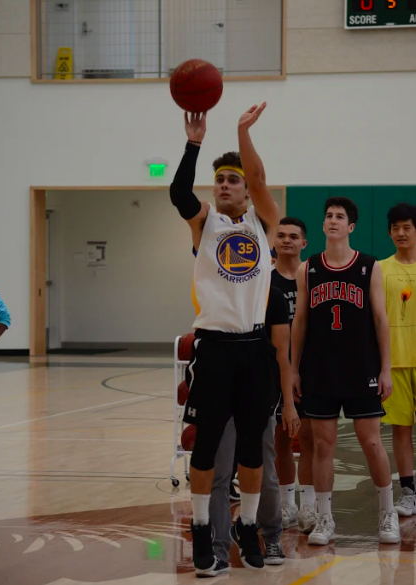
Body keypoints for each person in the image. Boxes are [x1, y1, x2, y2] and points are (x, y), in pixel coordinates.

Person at [169, 105, 300, 577]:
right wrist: (194, 142)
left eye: (233, 179)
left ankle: (247, 526)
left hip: (255, 348)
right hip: (216, 347)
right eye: (219, 178)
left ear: (245, 191)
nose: (224, 185)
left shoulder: (262, 225)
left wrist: (243, 133)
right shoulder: (206, 224)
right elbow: (179, 192)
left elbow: (262, 179)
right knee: (205, 447)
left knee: (250, 446)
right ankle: (203, 529)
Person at [291, 196, 401, 546]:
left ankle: (388, 514)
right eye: (329, 216)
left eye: (340, 216)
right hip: (320, 369)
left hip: (361, 367)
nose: (333, 220)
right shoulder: (307, 268)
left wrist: (386, 368)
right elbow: (300, 321)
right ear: (323, 225)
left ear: (351, 226)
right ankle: (324, 519)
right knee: (323, 446)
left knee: (371, 442)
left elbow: (381, 320)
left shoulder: (369, 266)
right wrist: (294, 370)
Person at [210, 281, 298, 572]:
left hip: (260, 397)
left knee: (267, 475)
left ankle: (271, 536)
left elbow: (281, 355)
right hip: (222, 394)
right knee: (219, 474)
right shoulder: (218, 289)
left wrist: (287, 404)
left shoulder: (271, 295)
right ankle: (217, 546)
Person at [272, 218, 317, 535]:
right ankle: (286, 503)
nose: (286, 240)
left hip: (310, 369)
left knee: (311, 439)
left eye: (294, 236)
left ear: (304, 244)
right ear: (274, 242)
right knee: (280, 440)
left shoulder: (313, 278)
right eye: (281, 236)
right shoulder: (263, 280)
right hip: (273, 371)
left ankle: (309, 505)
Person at [379, 203, 416, 517]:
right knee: (401, 430)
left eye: (407, 227)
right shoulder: (380, 269)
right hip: (394, 364)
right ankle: (409, 492)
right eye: (395, 228)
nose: (401, 233)